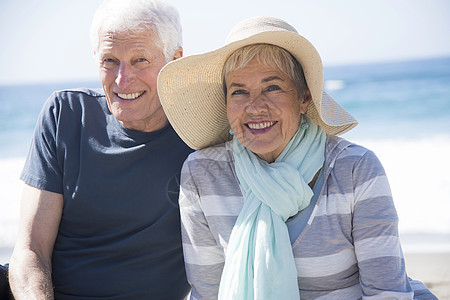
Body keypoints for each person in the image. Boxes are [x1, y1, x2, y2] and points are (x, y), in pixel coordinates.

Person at [157, 17, 437, 299]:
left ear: (304, 98)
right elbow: (208, 293)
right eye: (239, 91)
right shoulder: (203, 174)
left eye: (272, 87)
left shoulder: (355, 169)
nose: (255, 107)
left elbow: (386, 293)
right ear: (226, 103)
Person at [8, 0, 193, 298]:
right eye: (109, 60)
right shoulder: (65, 114)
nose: (122, 79)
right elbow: (30, 251)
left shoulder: (201, 134)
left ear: (175, 60)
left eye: (140, 60)